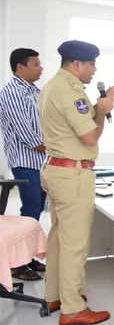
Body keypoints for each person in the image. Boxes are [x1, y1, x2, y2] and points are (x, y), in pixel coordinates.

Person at [39, 40, 114, 325]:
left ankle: (55, 296)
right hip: (72, 175)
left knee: (58, 239)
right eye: (91, 64)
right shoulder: (70, 92)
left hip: (56, 169)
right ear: (77, 64)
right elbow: (89, 137)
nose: (94, 69)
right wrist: (102, 111)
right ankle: (73, 308)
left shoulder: (54, 86)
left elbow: (75, 123)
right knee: (74, 244)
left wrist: (104, 103)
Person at [0, 48, 47, 281]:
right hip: (26, 162)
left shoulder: (33, 91)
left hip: (40, 161)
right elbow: (30, 137)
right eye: (36, 64)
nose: (41, 68)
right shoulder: (11, 93)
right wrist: (59, 147)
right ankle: (17, 265)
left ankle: (27, 257)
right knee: (30, 210)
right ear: (20, 67)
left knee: (35, 210)